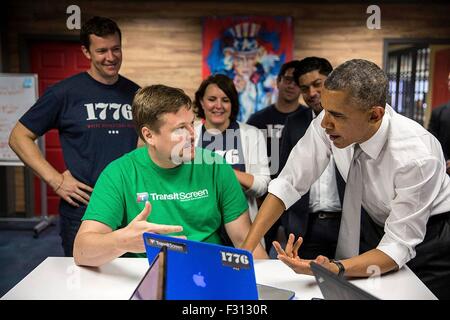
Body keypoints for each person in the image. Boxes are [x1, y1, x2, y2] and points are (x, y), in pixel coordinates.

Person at [242, 59, 450, 299]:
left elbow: (398, 244)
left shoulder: (417, 156)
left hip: (431, 239)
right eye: (325, 109)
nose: (325, 122)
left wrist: (336, 267)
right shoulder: (328, 124)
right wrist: (245, 252)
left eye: (337, 115)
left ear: (374, 115)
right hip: (377, 226)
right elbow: (288, 183)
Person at [73, 84, 268, 267]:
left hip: (208, 270)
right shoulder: (119, 173)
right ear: (149, 135)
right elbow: (82, 251)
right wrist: (122, 241)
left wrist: (270, 285)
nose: (193, 135)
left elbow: (244, 241)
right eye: (180, 129)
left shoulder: (216, 166)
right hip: (147, 271)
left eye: (192, 124)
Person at [8, 16, 140, 257]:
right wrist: (55, 180)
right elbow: (19, 136)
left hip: (128, 206)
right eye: (101, 51)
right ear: (86, 51)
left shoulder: (136, 93)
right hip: (84, 209)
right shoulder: (64, 93)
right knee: (85, 281)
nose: (110, 57)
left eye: (115, 49)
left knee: (131, 279)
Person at [279, 57, 345, 259]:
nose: (312, 94)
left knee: (349, 283)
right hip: (306, 227)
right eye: (305, 88)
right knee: (307, 285)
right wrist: (287, 223)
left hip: (347, 223)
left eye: (318, 84)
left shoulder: (350, 119)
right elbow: (284, 175)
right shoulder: (294, 123)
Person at [193, 74, 270, 230]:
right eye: (212, 99)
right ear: (201, 102)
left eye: (225, 100)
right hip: (199, 228)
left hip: (243, 226)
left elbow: (262, 186)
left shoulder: (252, 134)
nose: (218, 105)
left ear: (232, 104)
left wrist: (221, 169)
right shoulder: (189, 134)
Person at [246, 60, 302, 252]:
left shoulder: (307, 119)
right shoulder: (258, 120)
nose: (291, 85)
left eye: (297, 81)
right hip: (264, 198)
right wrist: (259, 194)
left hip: (297, 200)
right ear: (278, 82)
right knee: (258, 250)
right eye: (287, 79)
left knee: (295, 253)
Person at [429, 71, 450, 175]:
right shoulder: (438, 111)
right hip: (443, 168)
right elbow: (432, 140)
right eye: (449, 80)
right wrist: (446, 160)